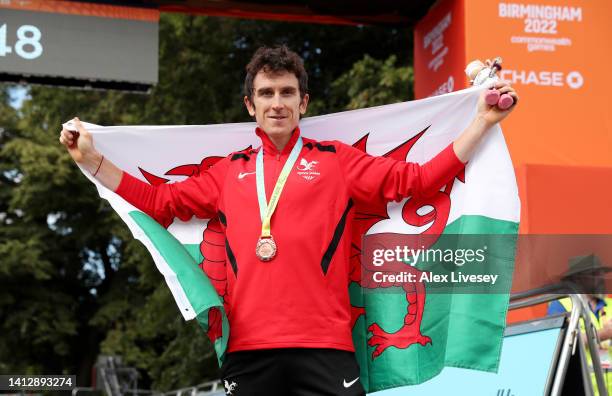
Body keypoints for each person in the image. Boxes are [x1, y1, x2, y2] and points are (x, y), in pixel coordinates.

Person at [59, 45, 519, 395]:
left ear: (303, 103)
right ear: (249, 105)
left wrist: (481, 121)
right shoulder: (227, 172)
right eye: (266, 94)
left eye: (286, 93)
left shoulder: (340, 162)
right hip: (249, 352)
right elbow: (159, 203)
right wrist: (93, 161)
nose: (276, 103)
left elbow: (418, 182)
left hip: (327, 348)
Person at [548, 254, 612, 394]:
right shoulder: (561, 305)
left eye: (601, 273)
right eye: (594, 273)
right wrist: (603, 334)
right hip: (581, 388)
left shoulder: (611, 305)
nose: (600, 277)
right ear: (578, 278)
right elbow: (558, 347)